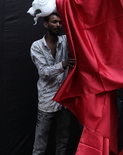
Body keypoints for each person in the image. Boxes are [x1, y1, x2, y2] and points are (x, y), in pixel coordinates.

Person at [30, 12, 76, 155]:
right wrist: (63, 64)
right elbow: (43, 72)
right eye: (54, 22)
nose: (58, 25)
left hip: (64, 101)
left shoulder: (66, 41)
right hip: (47, 102)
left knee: (63, 143)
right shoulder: (37, 46)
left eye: (60, 23)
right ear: (46, 24)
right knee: (40, 145)